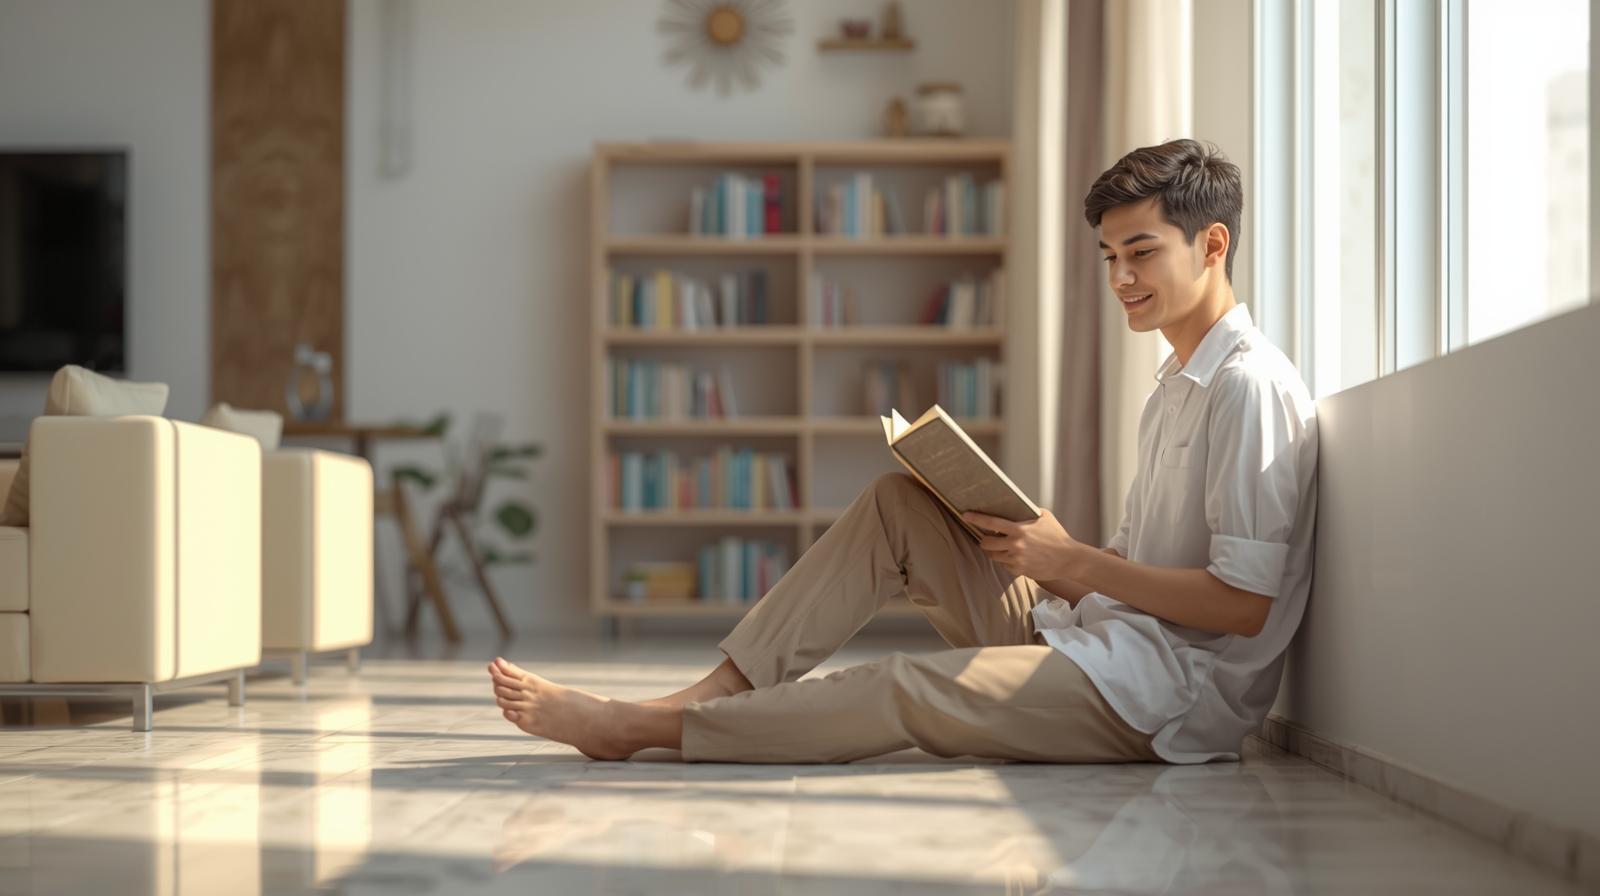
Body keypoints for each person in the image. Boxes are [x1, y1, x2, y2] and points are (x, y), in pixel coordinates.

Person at [488, 138, 1318, 765]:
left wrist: (1075, 561)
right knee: (899, 503)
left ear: (1212, 246)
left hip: (1158, 699)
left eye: (1141, 253)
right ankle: (714, 694)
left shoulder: (1248, 388)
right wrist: (1055, 555)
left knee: (903, 684)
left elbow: (1243, 607)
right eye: (1109, 256)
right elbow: (1148, 580)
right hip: (1103, 636)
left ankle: (651, 730)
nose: (1121, 278)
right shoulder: (1177, 381)